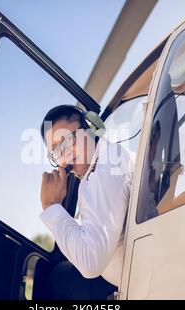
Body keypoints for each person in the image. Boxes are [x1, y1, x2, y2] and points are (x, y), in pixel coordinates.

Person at [39, 104, 134, 299]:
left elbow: (90, 261)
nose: (65, 157)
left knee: (56, 278)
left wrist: (51, 206)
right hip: (124, 284)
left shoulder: (106, 167)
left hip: (134, 282)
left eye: (67, 142)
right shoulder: (94, 173)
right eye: (56, 153)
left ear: (91, 127)